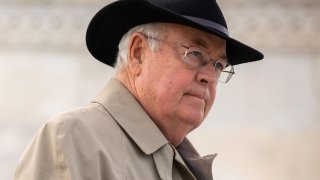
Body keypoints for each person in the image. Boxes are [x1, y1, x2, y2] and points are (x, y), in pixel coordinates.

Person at [14, 0, 263, 179]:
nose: (210, 76)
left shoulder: (185, 165)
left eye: (219, 65)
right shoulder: (74, 139)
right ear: (138, 53)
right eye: (195, 54)